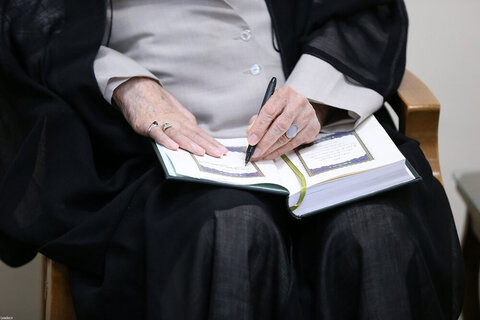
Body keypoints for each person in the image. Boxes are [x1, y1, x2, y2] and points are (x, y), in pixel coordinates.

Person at [0, 0, 464, 319]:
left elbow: (362, 12)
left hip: (320, 135)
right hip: (158, 159)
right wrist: (125, 84)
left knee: (374, 227)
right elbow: (32, 35)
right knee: (232, 231)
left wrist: (316, 95)